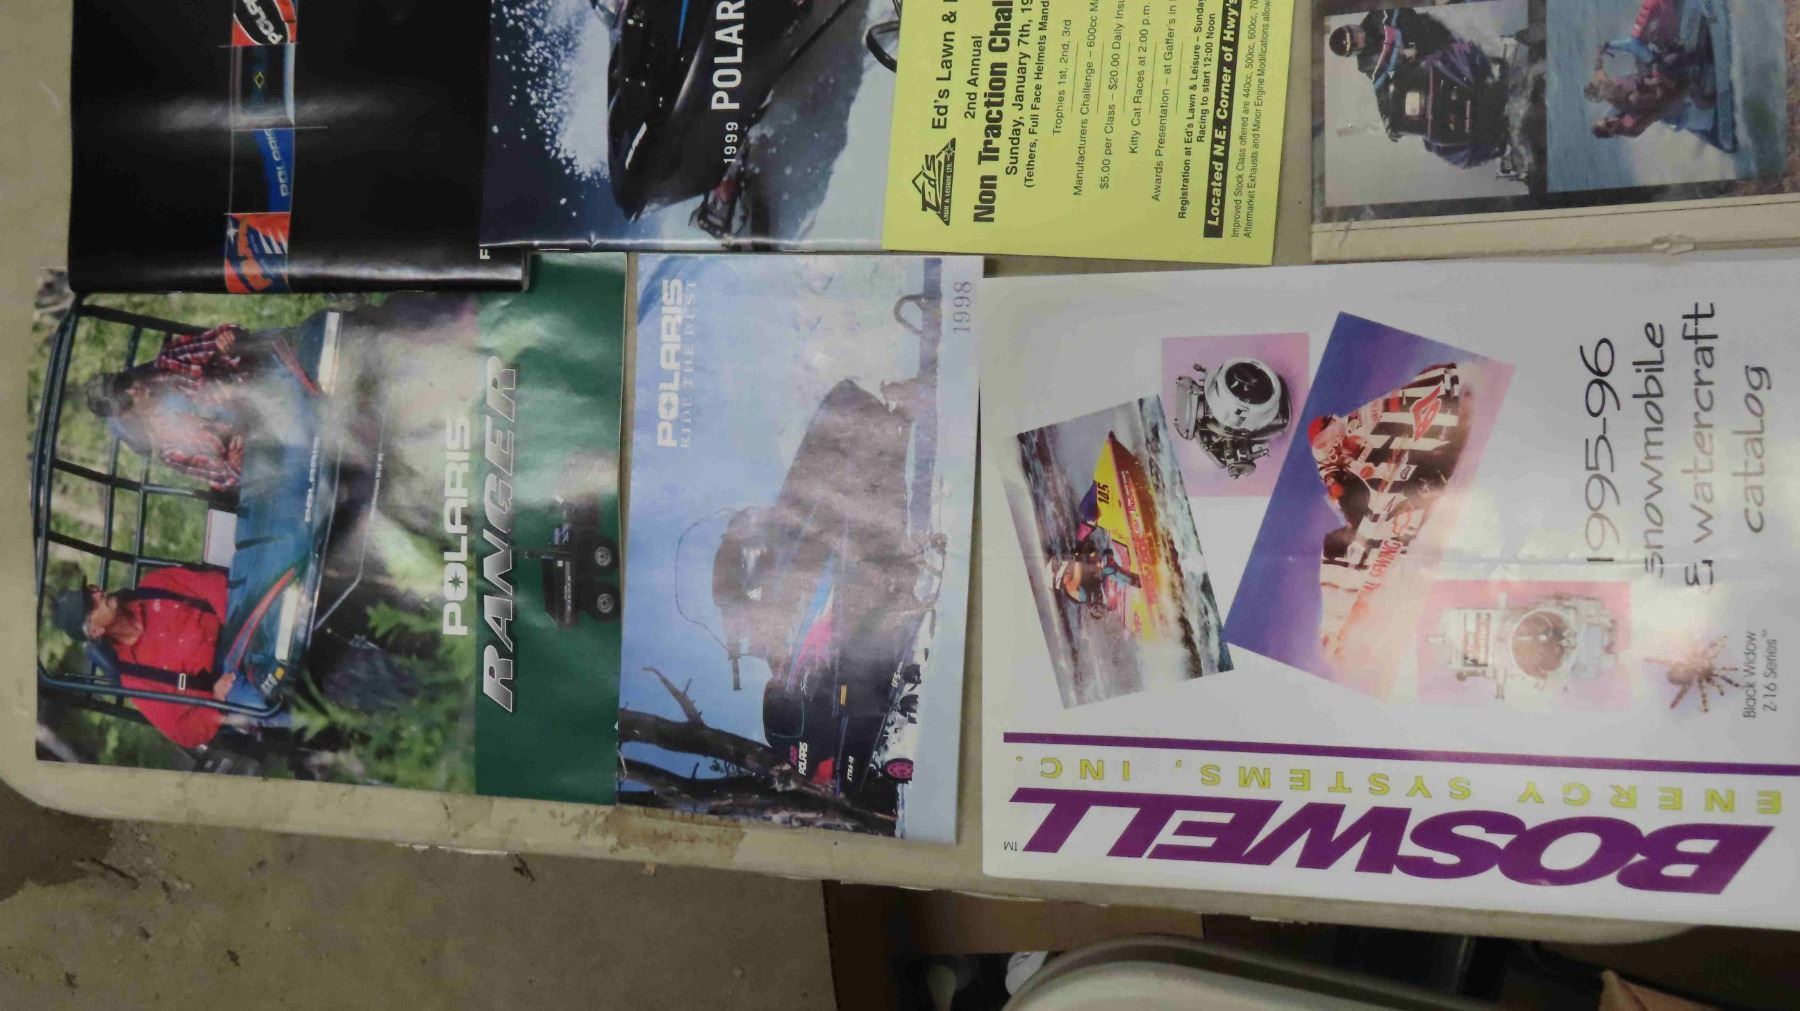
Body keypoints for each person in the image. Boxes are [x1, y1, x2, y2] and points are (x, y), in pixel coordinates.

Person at [50, 565, 239, 750]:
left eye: (91, 589)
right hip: (229, 679)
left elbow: (213, 584)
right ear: (95, 631)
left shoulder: (154, 585)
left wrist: (239, 628)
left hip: (236, 623)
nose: (98, 593)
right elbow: (183, 730)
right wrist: (216, 699)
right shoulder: (136, 678)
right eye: (91, 603)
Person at [82, 323, 254, 491]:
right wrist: (237, 454)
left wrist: (228, 341)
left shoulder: (172, 360)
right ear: (124, 414)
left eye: (123, 382)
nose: (132, 390)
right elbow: (227, 476)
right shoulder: (170, 449)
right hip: (255, 444)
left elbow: (231, 333)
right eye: (123, 398)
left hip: (258, 376)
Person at [1328, 9, 1456, 91]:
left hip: (1428, 32)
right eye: (1356, 41)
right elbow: (1385, 87)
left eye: (1354, 30)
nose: (1360, 35)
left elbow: (1402, 13)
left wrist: (1412, 43)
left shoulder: (1375, 17)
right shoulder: (1367, 65)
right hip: (1422, 66)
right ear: (1355, 51)